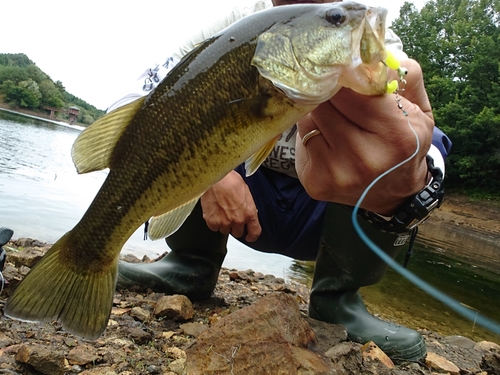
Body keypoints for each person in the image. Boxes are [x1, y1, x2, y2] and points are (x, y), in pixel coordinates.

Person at [112, 0, 452, 362]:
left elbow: (425, 137)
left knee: (422, 142)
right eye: (335, 19)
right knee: (172, 136)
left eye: (334, 16)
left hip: (327, 217)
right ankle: (189, 263)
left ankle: (339, 300)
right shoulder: (234, 26)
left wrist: (412, 182)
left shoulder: (368, 39)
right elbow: (132, 102)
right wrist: (214, 176)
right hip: (235, 201)